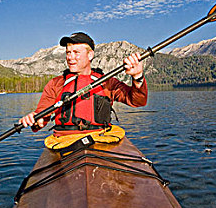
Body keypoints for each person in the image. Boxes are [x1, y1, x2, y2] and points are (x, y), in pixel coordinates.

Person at [20, 32, 148, 136]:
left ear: (90, 55)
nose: (70, 57)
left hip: (100, 139)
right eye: (68, 52)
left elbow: (138, 101)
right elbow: (41, 115)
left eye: (76, 52)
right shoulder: (55, 84)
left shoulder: (107, 82)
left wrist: (137, 77)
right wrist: (37, 120)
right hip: (64, 141)